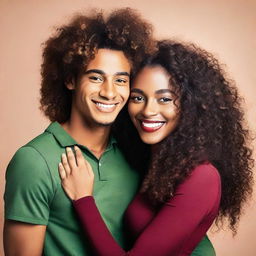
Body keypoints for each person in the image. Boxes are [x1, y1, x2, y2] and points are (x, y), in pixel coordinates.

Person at [58, 40, 254, 256]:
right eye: (138, 98)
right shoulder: (154, 161)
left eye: (165, 99)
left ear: (191, 105)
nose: (148, 110)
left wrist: (83, 199)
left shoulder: (201, 177)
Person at [3, 8, 155, 255]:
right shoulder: (34, 161)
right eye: (96, 78)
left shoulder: (135, 152)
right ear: (71, 80)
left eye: (120, 80)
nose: (109, 92)